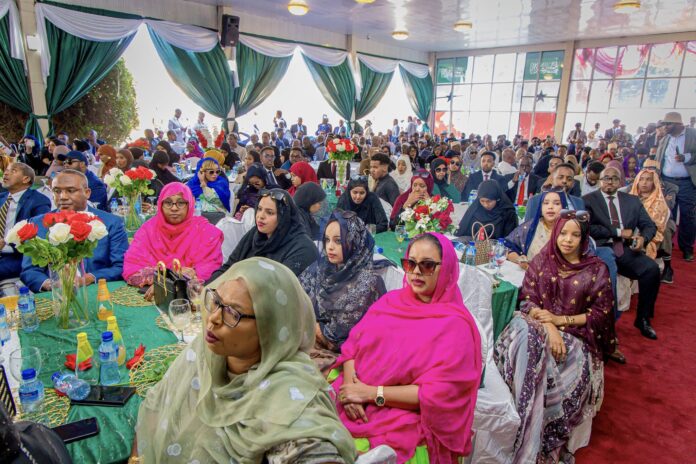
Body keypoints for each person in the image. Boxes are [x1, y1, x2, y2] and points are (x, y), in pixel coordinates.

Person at [132, 257, 355, 463]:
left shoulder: (289, 392)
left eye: (233, 312)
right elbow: (158, 403)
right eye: (216, 301)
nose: (214, 319)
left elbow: (312, 446)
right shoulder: (206, 352)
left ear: (270, 327)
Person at [333, 233, 481, 462]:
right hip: (353, 395)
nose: (416, 272)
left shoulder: (455, 326)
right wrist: (352, 389)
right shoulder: (390, 302)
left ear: (447, 268)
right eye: (410, 263)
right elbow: (353, 347)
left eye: (428, 265)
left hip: (402, 413)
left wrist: (372, 394)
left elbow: (436, 394)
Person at [494, 214, 615, 463]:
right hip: (540, 324)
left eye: (575, 235)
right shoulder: (542, 261)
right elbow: (527, 299)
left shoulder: (596, 269)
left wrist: (561, 322)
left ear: (583, 239)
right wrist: (549, 325)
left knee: (550, 358)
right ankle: (526, 425)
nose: (567, 240)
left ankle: (540, 435)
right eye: (562, 233)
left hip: (576, 334)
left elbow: (600, 315)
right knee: (526, 341)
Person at [299, 212, 386, 373]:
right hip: (305, 340)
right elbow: (295, 299)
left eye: (338, 241)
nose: (330, 247)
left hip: (342, 358)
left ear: (354, 241)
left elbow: (335, 339)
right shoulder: (321, 268)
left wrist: (304, 324)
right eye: (326, 240)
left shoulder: (368, 283)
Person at [584, 165, 660, 339]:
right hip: (601, 248)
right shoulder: (588, 200)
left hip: (625, 249)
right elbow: (588, 229)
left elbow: (649, 226)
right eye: (606, 178)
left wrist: (643, 239)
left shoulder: (632, 201)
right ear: (599, 180)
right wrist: (617, 232)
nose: (610, 182)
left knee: (651, 270)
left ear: (620, 181)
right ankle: (601, 325)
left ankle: (643, 319)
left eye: (614, 178)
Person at [20, 170, 128, 292]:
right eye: (57, 191)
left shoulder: (111, 222)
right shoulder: (39, 223)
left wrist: (90, 278)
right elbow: (29, 270)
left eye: (70, 191)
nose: (63, 197)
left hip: (96, 290)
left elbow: (120, 265)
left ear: (87, 193)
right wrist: (50, 284)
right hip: (55, 294)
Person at [123, 183, 223, 292]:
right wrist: (172, 276)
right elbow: (131, 268)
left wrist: (166, 278)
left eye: (181, 203)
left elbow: (209, 270)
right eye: (168, 203)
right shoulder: (148, 230)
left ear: (190, 204)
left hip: (191, 296)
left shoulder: (206, 232)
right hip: (147, 295)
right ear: (160, 204)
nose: (174, 208)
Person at [209, 189, 318, 281]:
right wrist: (206, 289)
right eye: (259, 209)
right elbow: (229, 268)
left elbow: (278, 289)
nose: (260, 216)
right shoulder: (256, 235)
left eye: (270, 212)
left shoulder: (302, 248)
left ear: (284, 217)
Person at [655, 111, 696, 261]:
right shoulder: (665, 138)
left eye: (668, 124)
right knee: (666, 214)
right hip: (667, 181)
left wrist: (687, 157)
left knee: (688, 215)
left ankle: (687, 247)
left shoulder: (692, 134)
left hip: (686, 182)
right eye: (664, 124)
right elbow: (659, 159)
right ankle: (667, 245)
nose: (665, 126)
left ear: (678, 124)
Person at [0, 163, 51, 280]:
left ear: (26, 179)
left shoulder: (38, 201)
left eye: (13, 171)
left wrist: (4, 245)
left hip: (17, 257)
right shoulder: (1, 197)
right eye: (6, 170)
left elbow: (40, 236)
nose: (6, 173)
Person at [505, 189, 568, 268]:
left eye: (556, 203)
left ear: (564, 207)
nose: (550, 207)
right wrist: (519, 259)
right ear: (540, 207)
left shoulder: (570, 230)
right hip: (528, 274)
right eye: (546, 203)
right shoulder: (531, 226)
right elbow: (507, 246)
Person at [629, 168, 670, 262]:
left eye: (648, 179)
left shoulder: (659, 203)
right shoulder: (629, 197)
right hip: (628, 233)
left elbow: (655, 226)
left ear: (654, 183)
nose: (644, 182)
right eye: (641, 179)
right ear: (637, 181)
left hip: (649, 235)